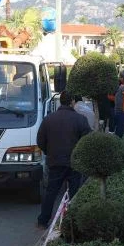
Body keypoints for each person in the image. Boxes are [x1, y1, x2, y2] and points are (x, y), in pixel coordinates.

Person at [36, 91, 92, 229]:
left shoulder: (49, 119)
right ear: (72, 101)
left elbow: (40, 140)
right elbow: (87, 141)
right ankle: (71, 222)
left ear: (60, 101)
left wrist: (49, 152)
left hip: (55, 161)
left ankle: (43, 220)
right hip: (74, 162)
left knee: (51, 192)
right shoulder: (80, 119)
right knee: (74, 193)